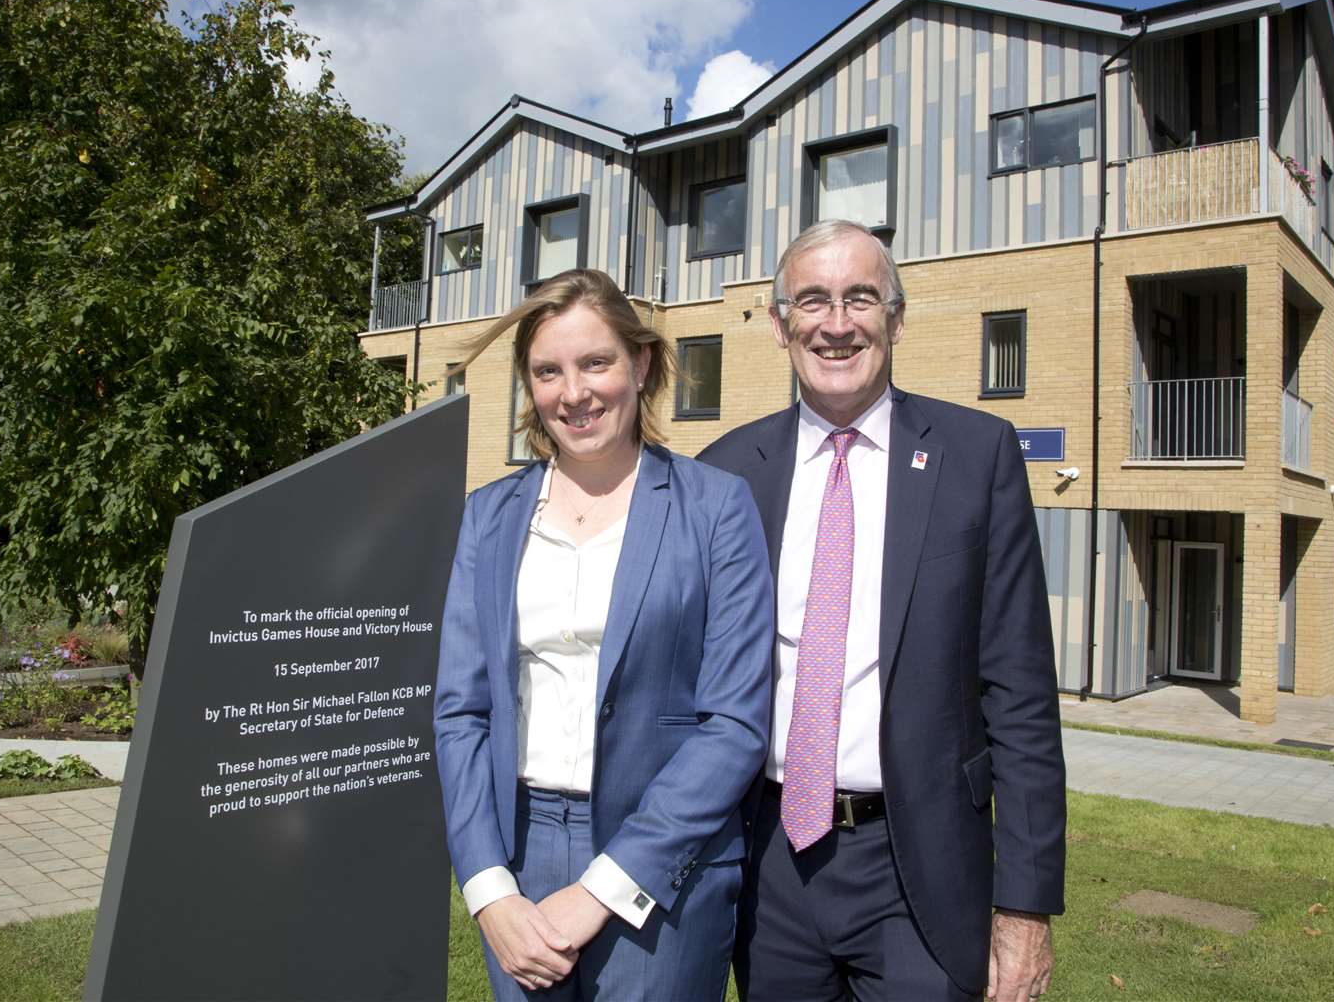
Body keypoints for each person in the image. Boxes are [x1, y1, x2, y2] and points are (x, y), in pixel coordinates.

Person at [699, 219, 1066, 1002]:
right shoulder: (726, 473)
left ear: (895, 319)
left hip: (920, 865)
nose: (836, 324)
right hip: (768, 864)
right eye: (813, 301)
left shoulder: (978, 457)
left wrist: (1026, 906)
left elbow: (1022, 696)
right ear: (779, 324)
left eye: (860, 298)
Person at [435, 268, 773, 1001]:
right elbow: (461, 711)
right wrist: (490, 889)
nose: (574, 392)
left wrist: (602, 889)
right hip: (518, 857)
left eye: (596, 362)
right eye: (548, 371)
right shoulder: (489, 517)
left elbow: (736, 725)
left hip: (664, 865)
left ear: (641, 364)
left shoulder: (715, 509)